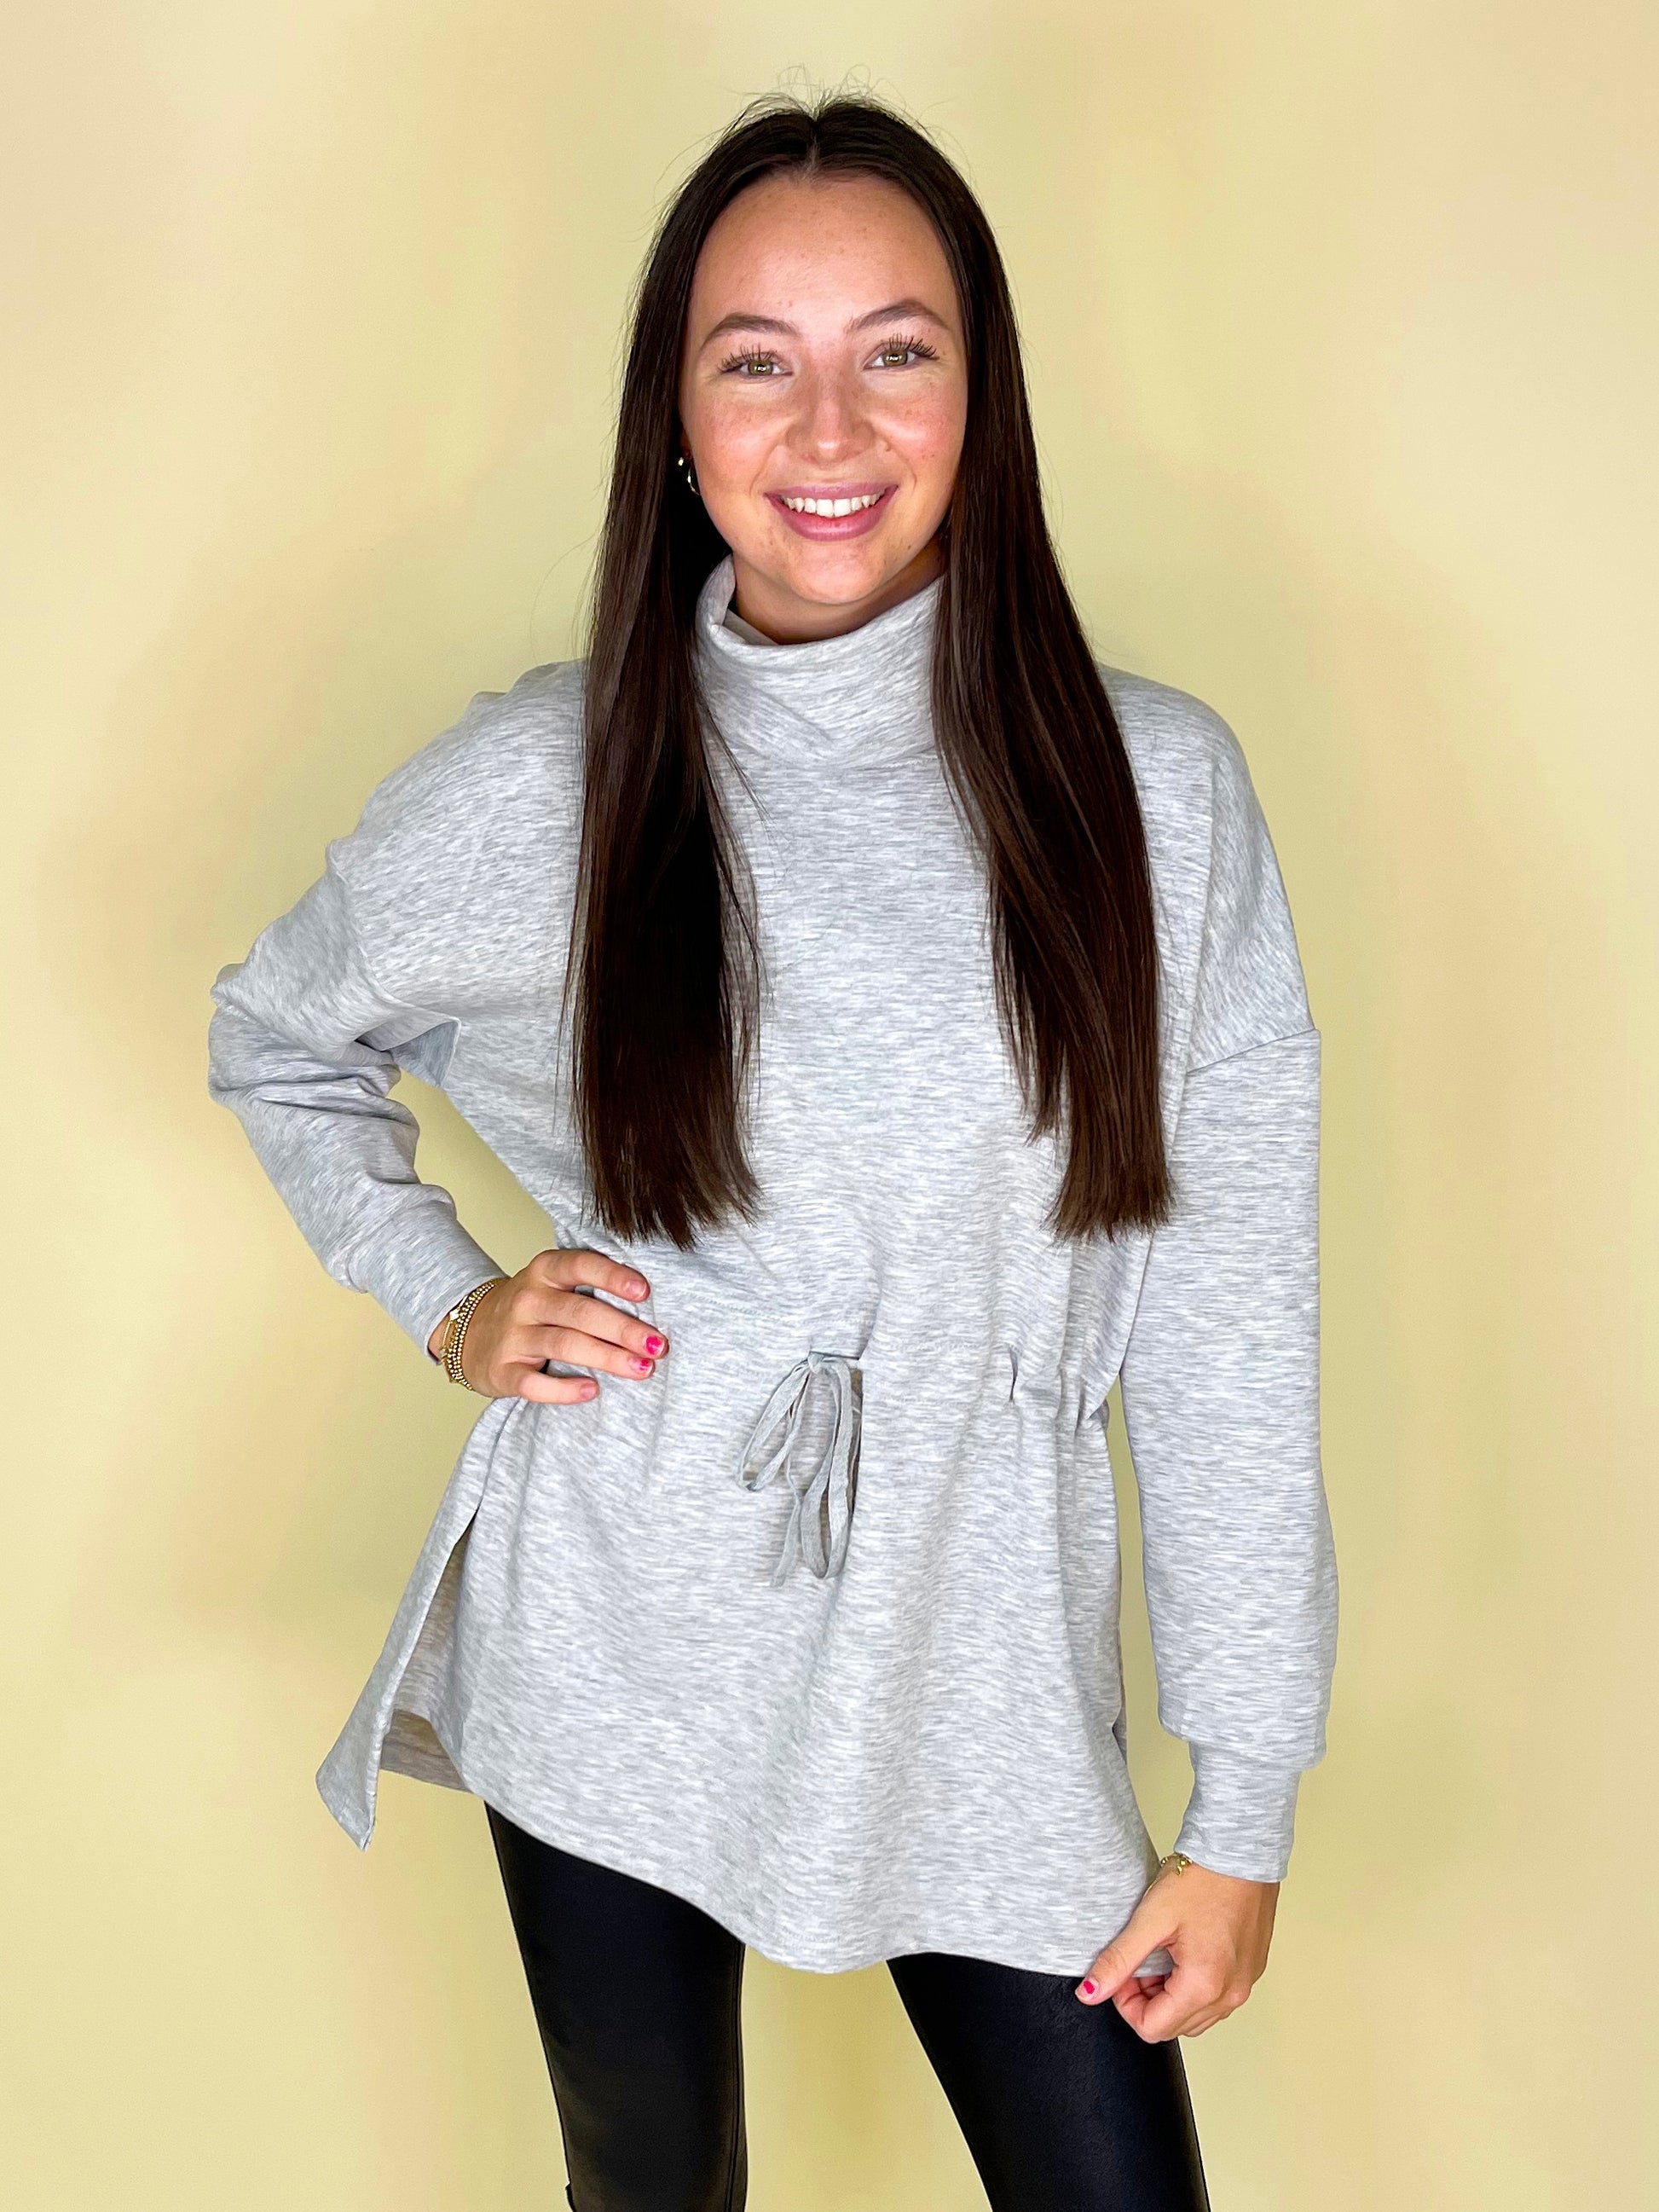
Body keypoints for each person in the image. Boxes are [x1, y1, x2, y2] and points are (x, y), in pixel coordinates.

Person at [208, 90, 1338, 2212]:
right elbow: (275, 1037)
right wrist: (453, 1300)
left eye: (896, 350)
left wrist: (1241, 1797)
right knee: (658, 2193)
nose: (828, 427)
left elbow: (1223, 1326)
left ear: (982, 396)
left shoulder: (1155, 793)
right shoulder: (548, 780)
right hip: (619, 1632)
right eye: (756, 361)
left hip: (985, 1654)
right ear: (676, 415)